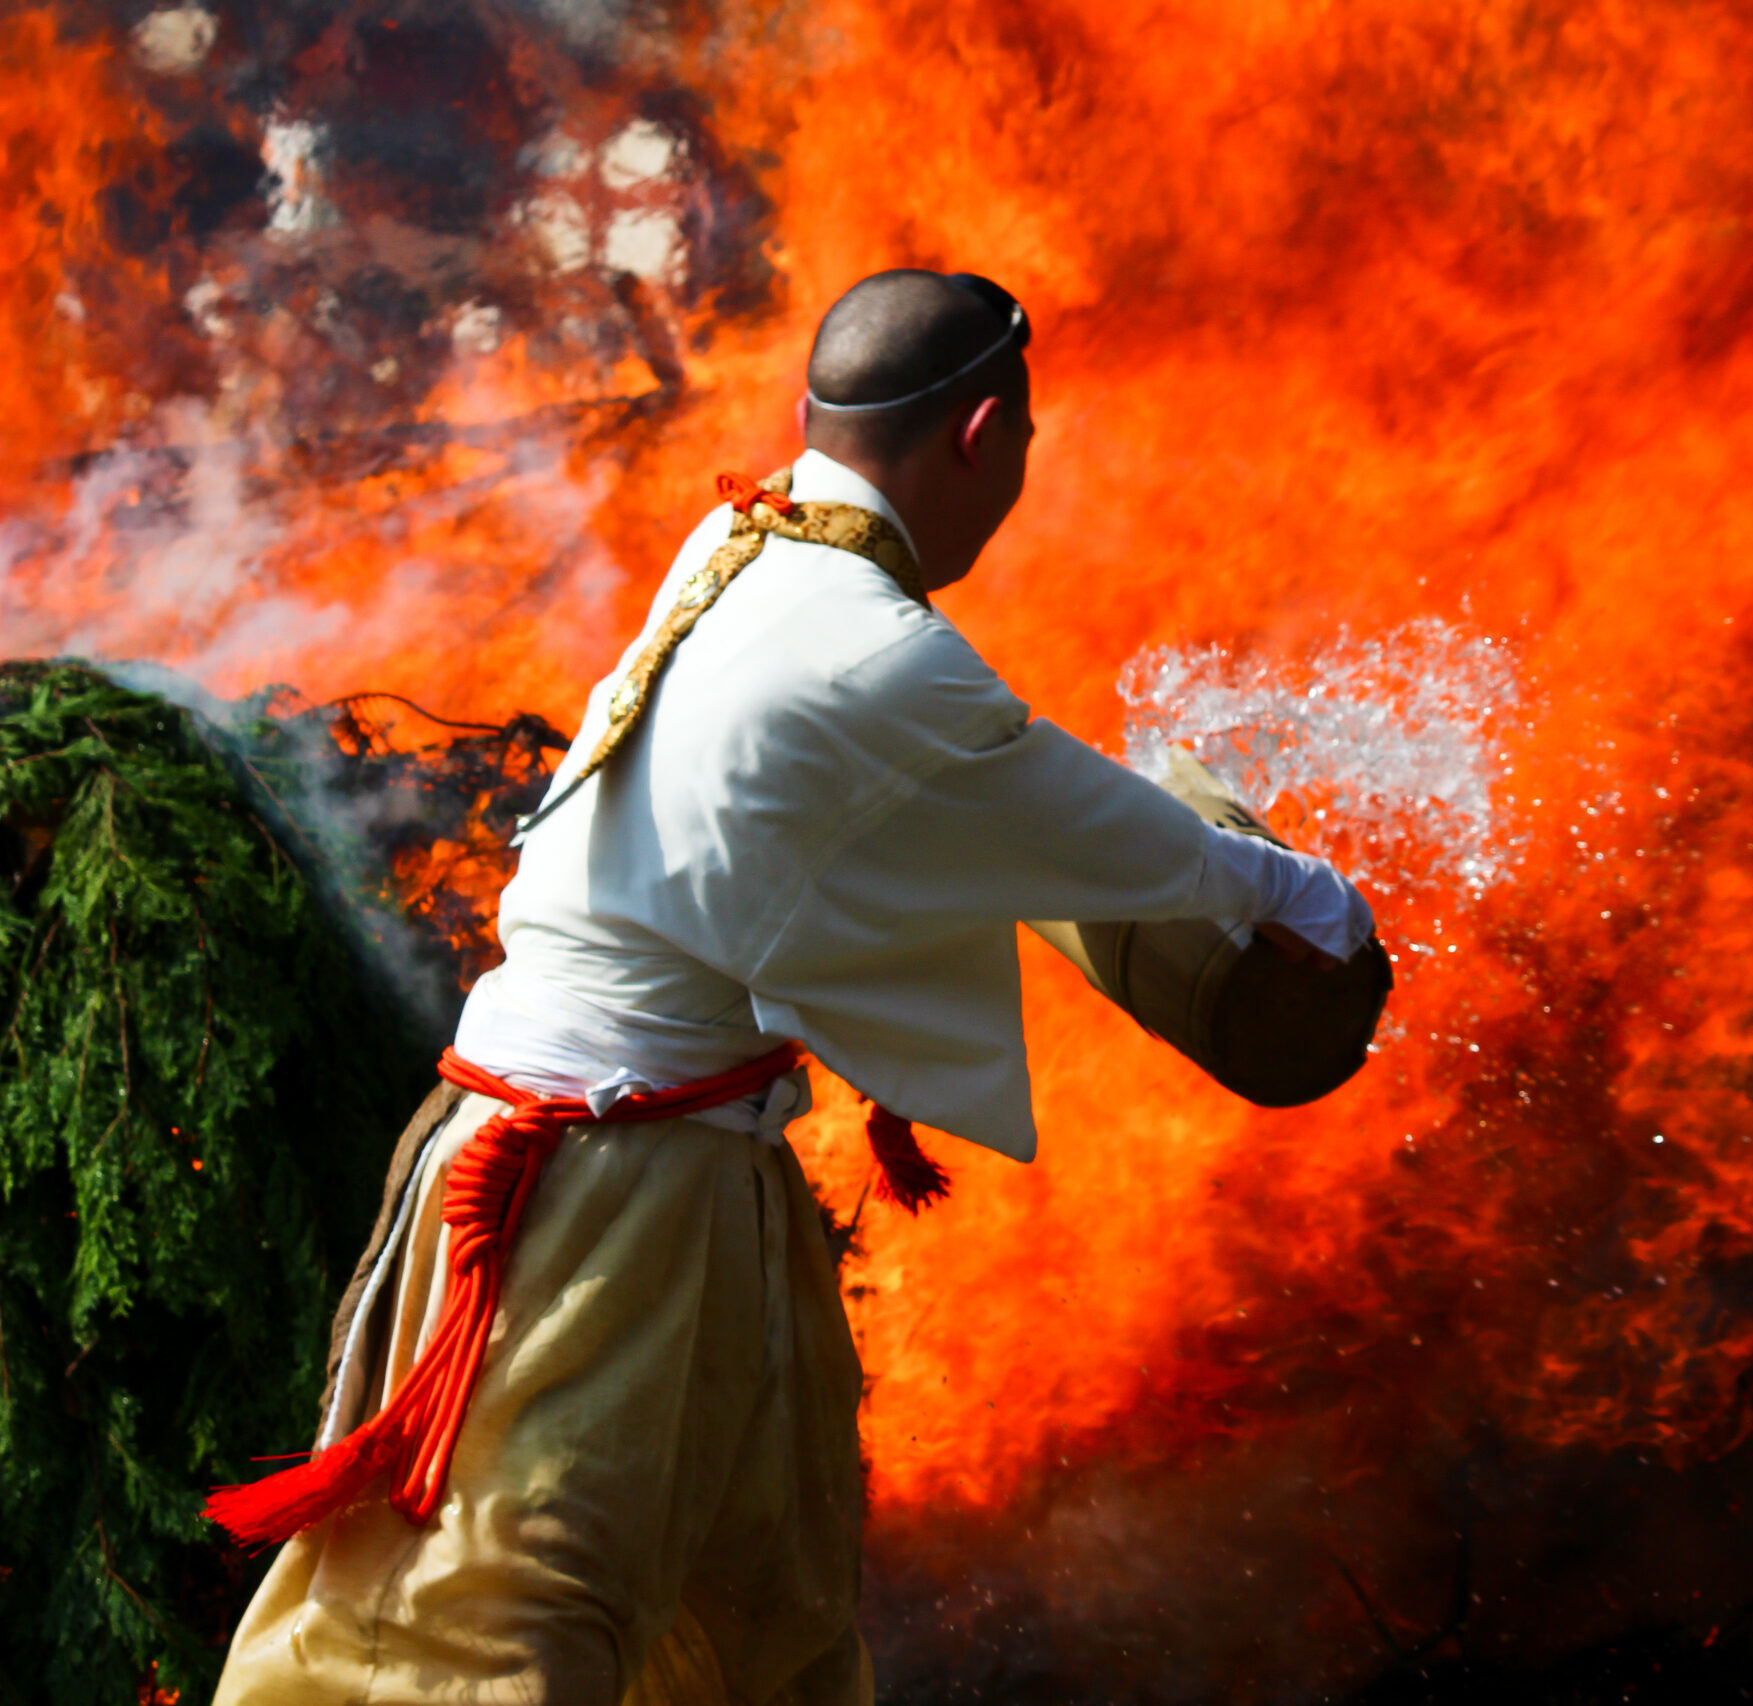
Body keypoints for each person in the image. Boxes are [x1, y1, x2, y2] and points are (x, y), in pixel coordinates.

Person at [208, 270, 1373, 1706]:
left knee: (772, 1622)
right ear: (983, 431)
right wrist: (1299, 891)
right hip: (585, 1190)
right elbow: (1086, 821)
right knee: (469, 1643)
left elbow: (865, 816)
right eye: (1024, 443)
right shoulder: (872, 644)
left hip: (702, 1165)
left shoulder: (744, 539)